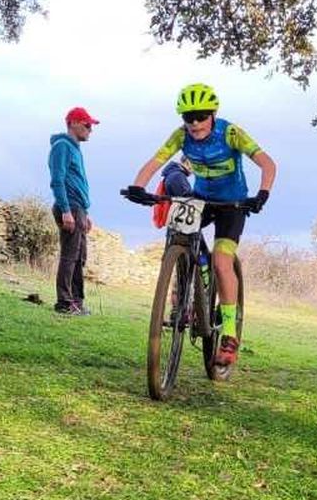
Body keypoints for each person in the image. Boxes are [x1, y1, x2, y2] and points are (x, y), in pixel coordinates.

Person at [123, 83, 276, 368]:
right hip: (202, 200)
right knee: (179, 236)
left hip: (233, 205)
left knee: (221, 261)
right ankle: (182, 294)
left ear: (213, 113)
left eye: (201, 115)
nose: (195, 122)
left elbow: (268, 163)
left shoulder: (230, 133)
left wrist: (262, 194)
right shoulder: (181, 136)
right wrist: (137, 186)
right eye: (188, 116)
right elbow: (155, 161)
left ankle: (229, 333)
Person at [49, 106, 97, 315]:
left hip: (79, 209)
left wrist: (85, 213)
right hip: (69, 207)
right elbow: (57, 180)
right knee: (69, 256)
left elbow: (77, 182)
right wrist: (66, 210)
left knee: (80, 257)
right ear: (73, 123)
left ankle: (77, 302)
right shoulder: (62, 146)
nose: (90, 130)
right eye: (87, 125)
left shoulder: (76, 149)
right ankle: (64, 303)